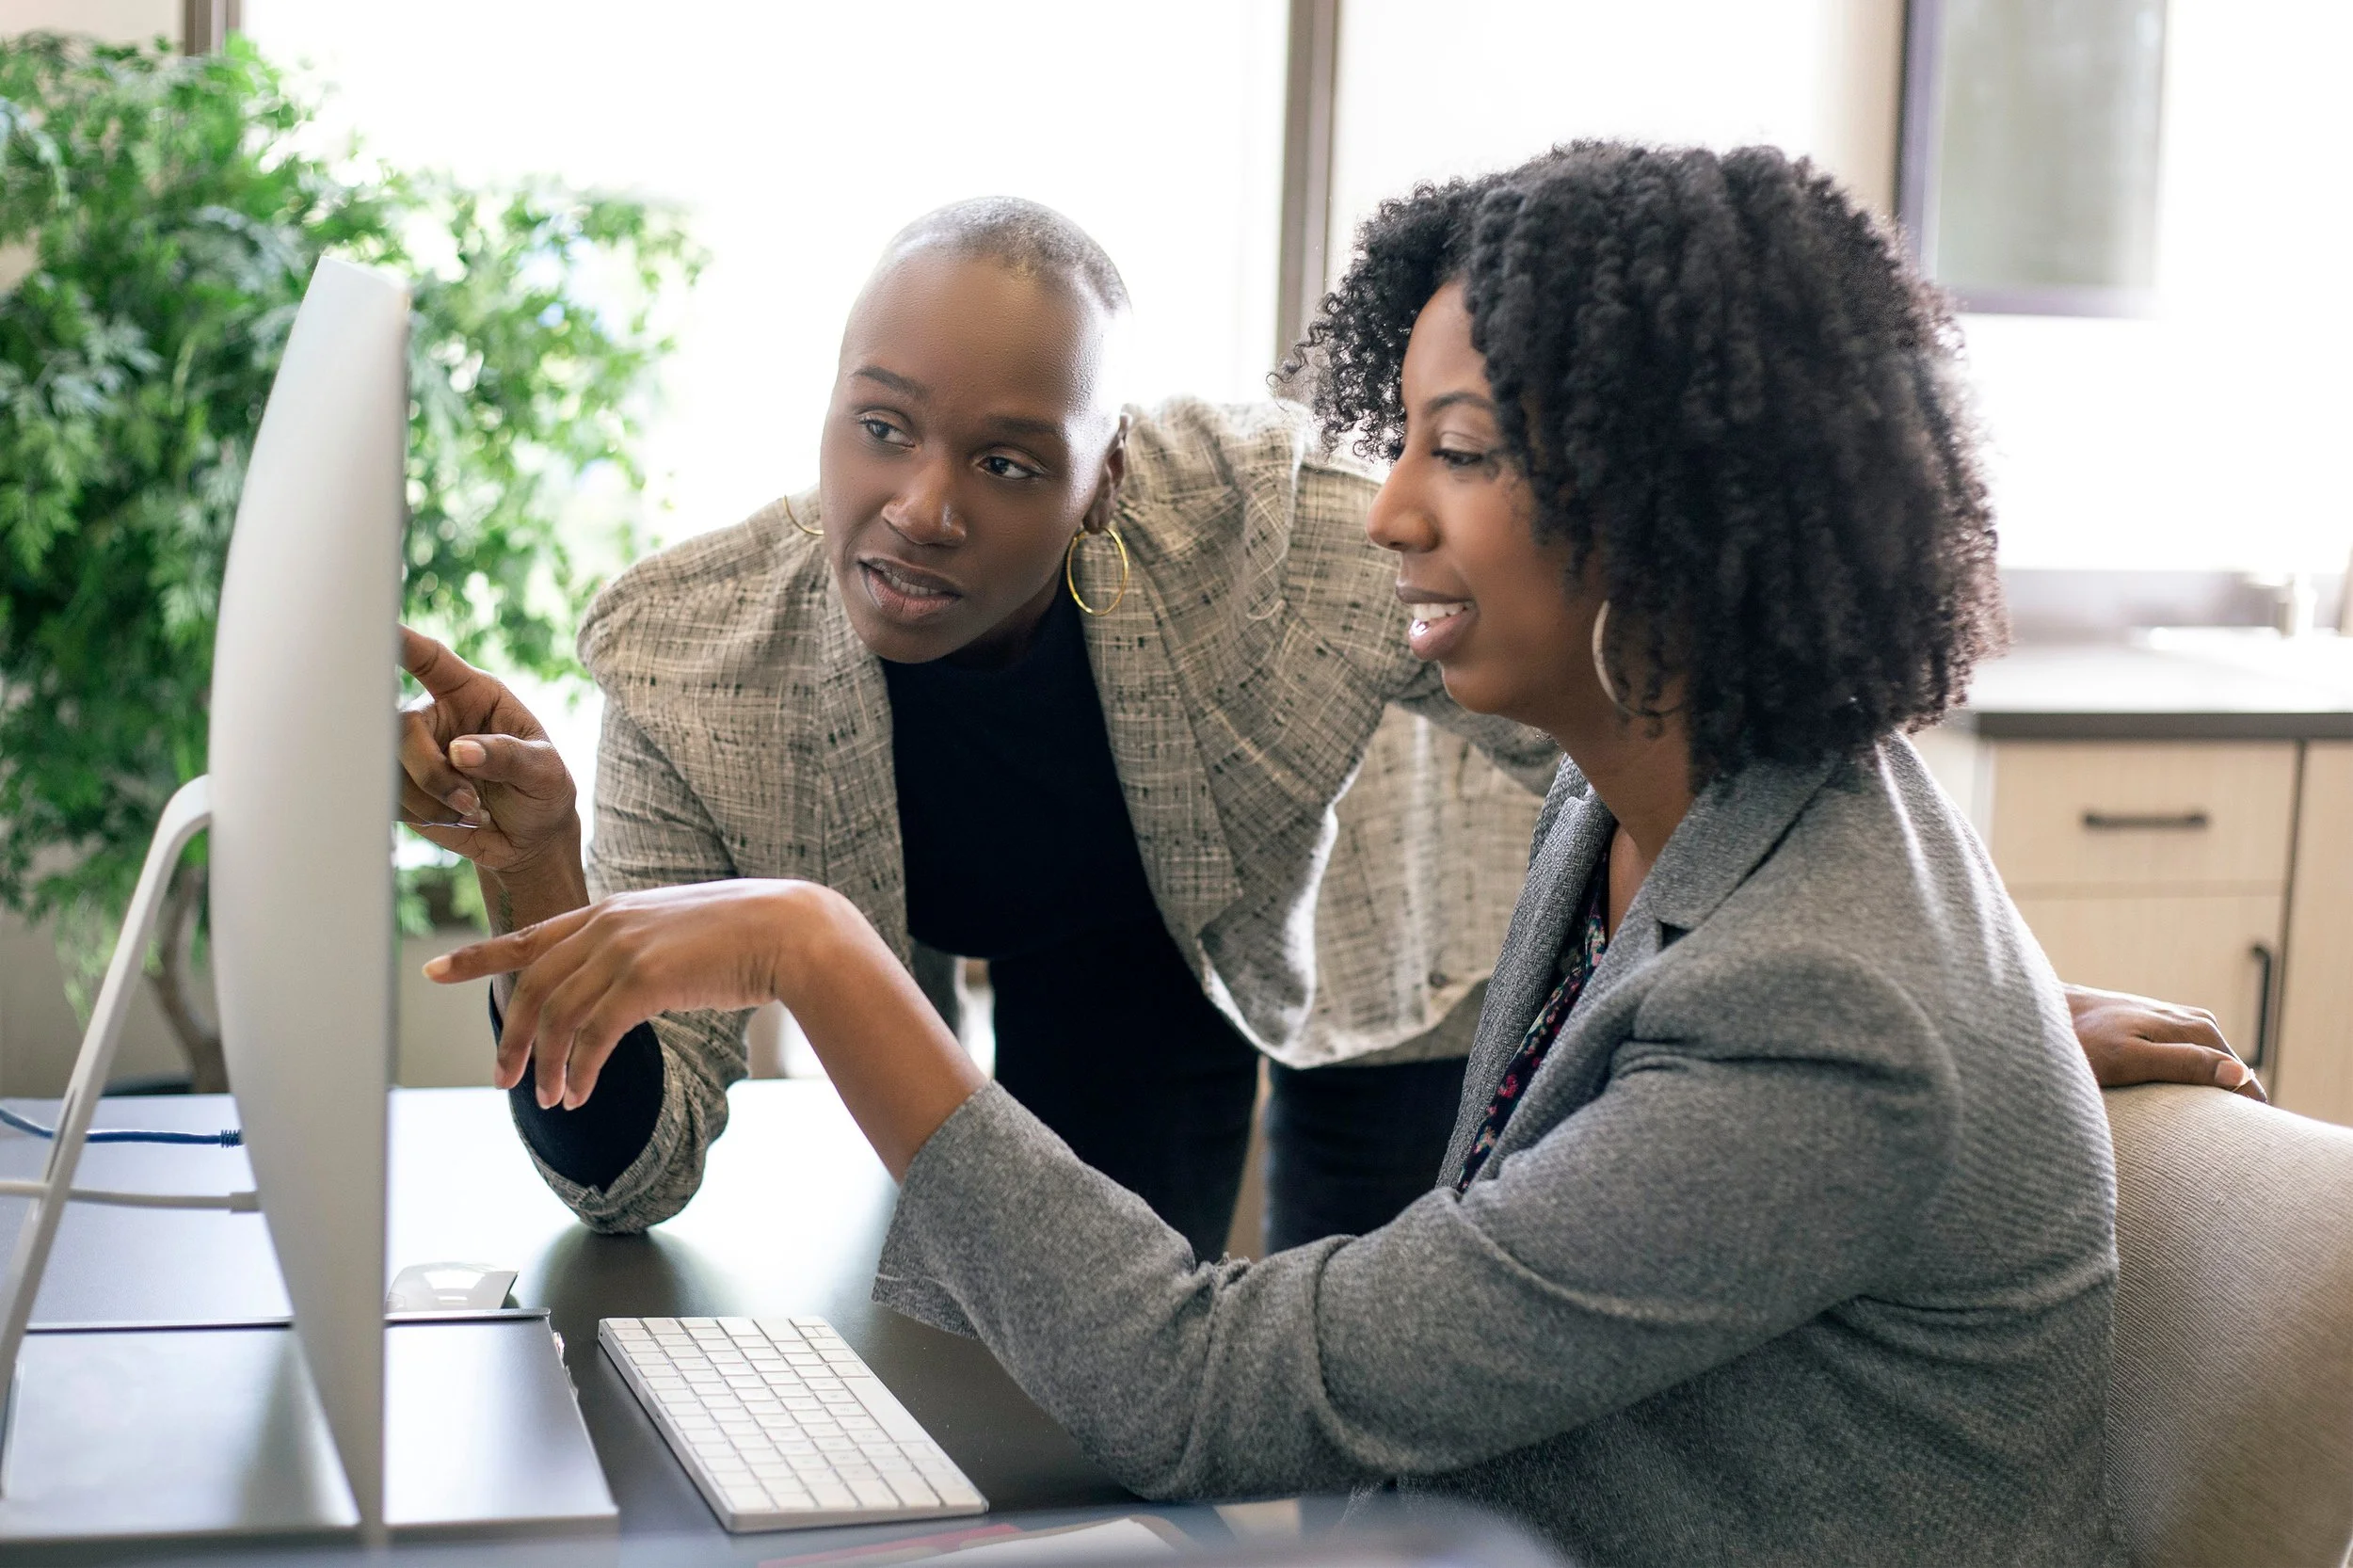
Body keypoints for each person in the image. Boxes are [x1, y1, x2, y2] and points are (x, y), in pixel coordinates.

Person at [435, 142, 2132, 1562]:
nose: (1388, 507)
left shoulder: (1818, 1006)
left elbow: (1207, 1391)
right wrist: (1983, 1035)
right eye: (881, 426)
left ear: (1668, 517)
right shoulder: (1625, 822)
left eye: (1453, 454)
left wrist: (816, 947)